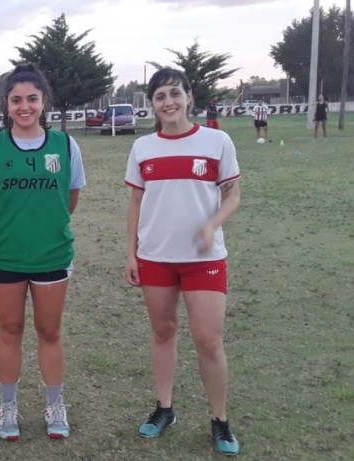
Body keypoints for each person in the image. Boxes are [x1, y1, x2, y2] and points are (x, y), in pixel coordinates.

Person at [124, 68, 241, 456]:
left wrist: (212, 224)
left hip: (204, 260)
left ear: (189, 97)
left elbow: (233, 195)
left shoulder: (216, 141)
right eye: (160, 96)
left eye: (175, 93)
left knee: (209, 340)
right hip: (155, 257)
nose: (168, 102)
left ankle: (220, 420)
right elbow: (136, 202)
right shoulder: (143, 147)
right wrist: (131, 253)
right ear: (152, 105)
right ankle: (164, 408)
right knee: (163, 332)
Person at [0, 64, 85, 442]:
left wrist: (43, 224)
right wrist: (11, 225)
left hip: (52, 255)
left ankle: (55, 405)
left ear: (43, 102)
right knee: (10, 329)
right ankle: (8, 407)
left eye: (31, 99)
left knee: (49, 331)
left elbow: (70, 198)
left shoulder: (65, 145)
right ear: (6, 104)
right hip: (5, 255)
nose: (24, 107)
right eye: (16, 100)